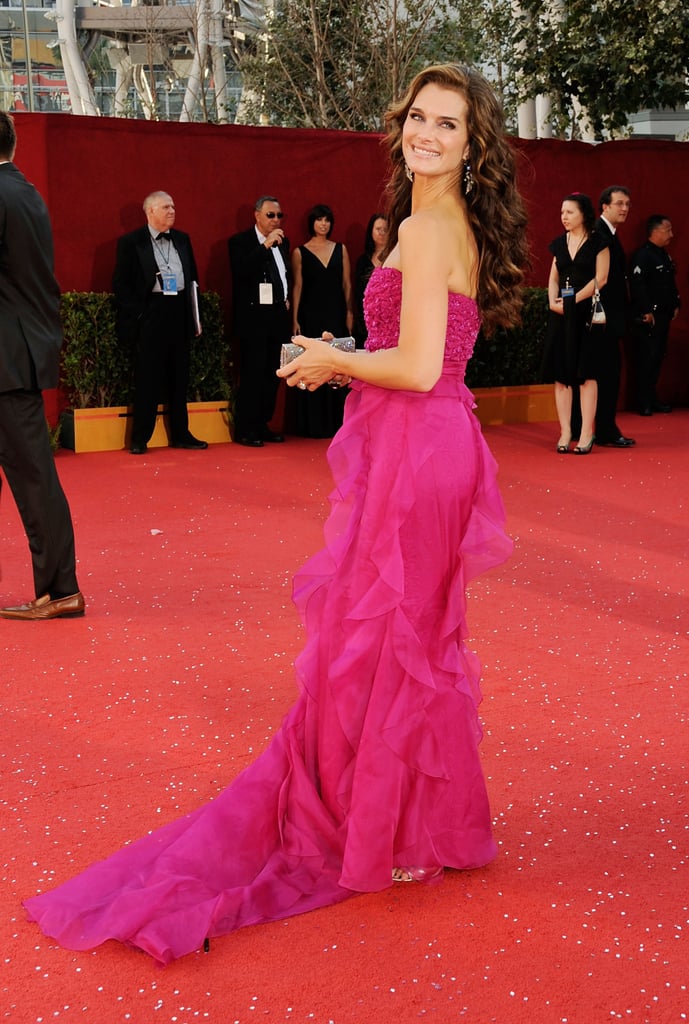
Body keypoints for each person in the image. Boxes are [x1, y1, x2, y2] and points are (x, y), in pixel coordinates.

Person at [23, 63, 528, 964]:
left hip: (419, 453)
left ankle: (386, 833)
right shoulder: (446, 222)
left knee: (385, 643)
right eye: (419, 117)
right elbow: (419, 349)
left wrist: (331, 363)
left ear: (473, 143)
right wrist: (335, 348)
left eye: (448, 125)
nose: (426, 134)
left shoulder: (426, 221)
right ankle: (408, 827)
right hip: (434, 445)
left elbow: (413, 368)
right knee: (409, 640)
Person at [0, 111, 85, 622]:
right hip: (17, 354)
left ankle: (60, 589)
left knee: (34, 479)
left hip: (7, 361)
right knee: (34, 476)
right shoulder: (25, 191)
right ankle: (59, 587)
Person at [113, 191, 207, 455]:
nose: (172, 211)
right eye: (166, 207)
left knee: (180, 377)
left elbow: (193, 279)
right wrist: (141, 314)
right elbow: (121, 285)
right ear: (150, 211)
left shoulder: (182, 239)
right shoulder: (131, 242)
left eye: (173, 207)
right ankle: (140, 438)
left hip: (179, 312)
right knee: (148, 379)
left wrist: (194, 316)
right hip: (151, 314)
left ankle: (181, 434)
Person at [541, 193, 610, 454]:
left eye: (569, 212)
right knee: (561, 375)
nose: (564, 217)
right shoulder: (559, 243)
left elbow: (601, 279)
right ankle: (565, 431)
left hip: (586, 316)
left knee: (586, 374)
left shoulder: (598, 242)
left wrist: (574, 301)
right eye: (562, 213)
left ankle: (585, 434)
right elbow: (553, 278)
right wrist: (552, 302)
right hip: (561, 315)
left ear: (583, 214)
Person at [228, 195, 290, 447]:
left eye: (279, 216)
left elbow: (285, 274)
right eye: (270, 215)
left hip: (277, 317)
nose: (275, 220)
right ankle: (245, 428)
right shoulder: (240, 242)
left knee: (272, 375)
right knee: (252, 374)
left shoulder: (283, 243)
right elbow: (241, 270)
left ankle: (263, 423)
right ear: (257, 215)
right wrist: (264, 246)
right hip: (253, 319)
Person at [290, 204, 353, 437]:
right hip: (311, 314)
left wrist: (349, 312)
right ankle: (312, 425)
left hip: (336, 313)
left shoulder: (341, 250)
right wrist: (294, 318)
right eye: (319, 220)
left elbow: (347, 284)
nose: (323, 224)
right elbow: (297, 287)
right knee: (313, 363)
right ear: (312, 223)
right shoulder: (299, 252)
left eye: (327, 220)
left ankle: (337, 422)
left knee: (337, 363)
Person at [586, 186, 636, 448]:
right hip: (602, 319)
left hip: (608, 318)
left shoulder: (609, 234)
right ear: (604, 206)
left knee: (604, 374)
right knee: (607, 375)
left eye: (627, 204)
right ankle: (605, 430)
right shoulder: (600, 234)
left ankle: (597, 429)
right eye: (619, 203)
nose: (625, 208)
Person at [629, 215, 680, 416]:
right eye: (667, 230)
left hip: (664, 315)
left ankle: (652, 397)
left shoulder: (663, 255)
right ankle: (643, 401)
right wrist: (646, 310)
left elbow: (669, 282)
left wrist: (676, 303)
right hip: (650, 317)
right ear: (655, 231)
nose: (671, 234)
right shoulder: (643, 256)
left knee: (658, 357)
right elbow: (637, 285)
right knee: (646, 357)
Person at [352, 213, 388, 347]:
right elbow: (357, 293)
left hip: (390, 319)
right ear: (371, 231)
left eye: (386, 229)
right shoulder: (363, 261)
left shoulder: (396, 259)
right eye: (378, 229)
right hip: (366, 320)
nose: (382, 233)